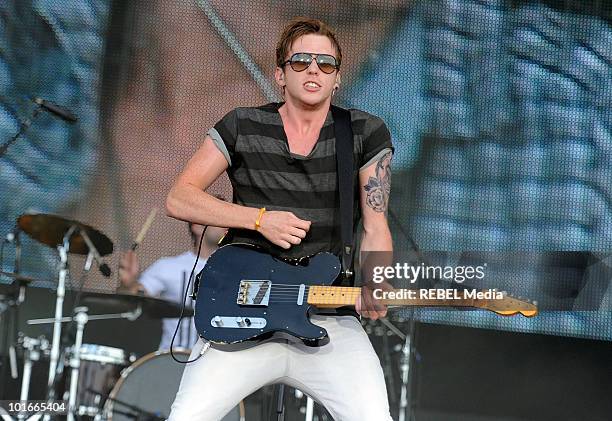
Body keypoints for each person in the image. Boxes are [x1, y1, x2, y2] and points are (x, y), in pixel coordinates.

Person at [165, 17, 394, 420]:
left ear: (338, 78)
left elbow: (375, 225)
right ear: (280, 73)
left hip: (328, 319)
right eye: (301, 60)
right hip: (244, 312)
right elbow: (180, 197)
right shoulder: (242, 124)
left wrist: (376, 281)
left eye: (326, 63)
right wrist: (258, 219)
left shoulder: (364, 132)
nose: (313, 70)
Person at [118, 220, 228, 350]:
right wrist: (128, 283)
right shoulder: (168, 266)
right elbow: (132, 303)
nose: (228, 224)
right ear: (197, 226)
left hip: (216, 363)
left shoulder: (236, 271)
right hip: (172, 360)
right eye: (218, 217)